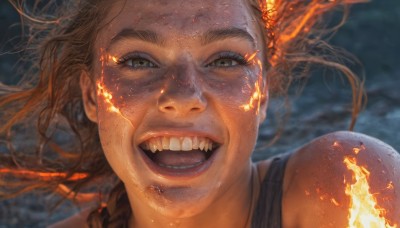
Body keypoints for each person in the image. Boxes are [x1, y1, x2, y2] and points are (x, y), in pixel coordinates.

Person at [1, 0, 399, 227]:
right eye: (139, 61)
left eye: (224, 60)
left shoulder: (350, 191)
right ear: (91, 96)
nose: (183, 95)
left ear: (261, 93)